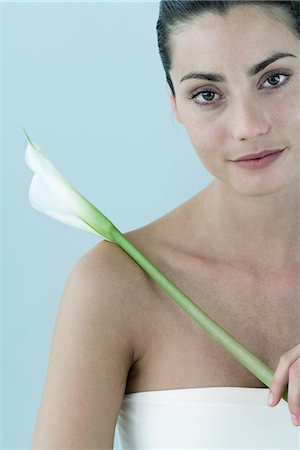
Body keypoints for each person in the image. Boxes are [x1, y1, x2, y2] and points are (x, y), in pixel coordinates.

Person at [31, 1, 300, 448]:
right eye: (207, 94)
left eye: (274, 79)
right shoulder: (117, 285)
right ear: (175, 103)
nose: (249, 126)